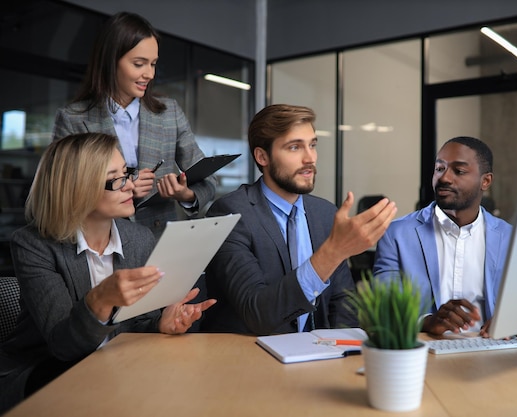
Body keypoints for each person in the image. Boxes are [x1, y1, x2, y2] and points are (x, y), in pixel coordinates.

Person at [0, 133, 215, 413]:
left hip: (119, 365)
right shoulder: (33, 245)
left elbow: (132, 329)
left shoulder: (139, 238)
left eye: (127, 173)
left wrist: (160, 324)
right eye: (116, 180)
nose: (131, 187)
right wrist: (99, 300)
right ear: (76, 188)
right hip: (45, 370)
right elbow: (63, 347)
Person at [201, 104, 397, 335]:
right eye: (295, 147)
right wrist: (333, 252)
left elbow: (344, 303)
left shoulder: (325, 213)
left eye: (312, 145)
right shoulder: (230, 213)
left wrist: (339, 351)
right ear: (262, 156)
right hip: (251, 360)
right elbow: (256, 312)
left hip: (318, 357)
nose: (310, 158)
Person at [52, 11, 215, 238]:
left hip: (159, 243)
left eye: (154, 64)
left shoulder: (169, 114)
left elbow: (208, 181)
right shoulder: (73, 119)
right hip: (99, 243)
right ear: (111, 62)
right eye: (139, 64)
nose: (149, 74)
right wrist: (124, 186)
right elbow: (61, 194)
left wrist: (185, 194)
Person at [373, 136, 513, 336]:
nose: (444, 178)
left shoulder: (510, 239)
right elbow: (382, 309)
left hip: (493, 352)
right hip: (424, 354)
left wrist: (514, 323)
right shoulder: (396, 234)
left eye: (459, 171)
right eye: (440, 168)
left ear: (486, 181)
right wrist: (426, 322)